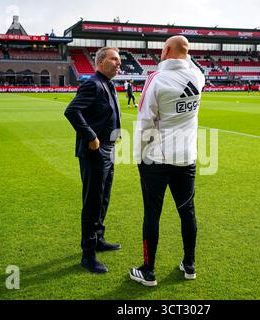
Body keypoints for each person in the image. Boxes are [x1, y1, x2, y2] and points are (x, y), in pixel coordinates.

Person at [130, 35, 205, 287]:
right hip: (187, 159)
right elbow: (190, 61)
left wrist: (138, 156)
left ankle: (148, 271)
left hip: (157, 160)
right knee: (187, 212)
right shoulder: (197, 78)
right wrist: (184, 51)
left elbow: (144, 123)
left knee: (152, 213)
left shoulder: (156, 79)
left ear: (165, 50)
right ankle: (189, 265)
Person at [64, 47, 122, 274]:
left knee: (103, 198)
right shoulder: (93, 83)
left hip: (108, 150)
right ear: (100, 61)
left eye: (119, 60)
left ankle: (98, 239)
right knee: (92, 203)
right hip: (95, 153)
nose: (119, 63)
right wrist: (91, 136)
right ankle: (88, 254)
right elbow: (71, 111)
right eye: (114, 59)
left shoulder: (108, 84)